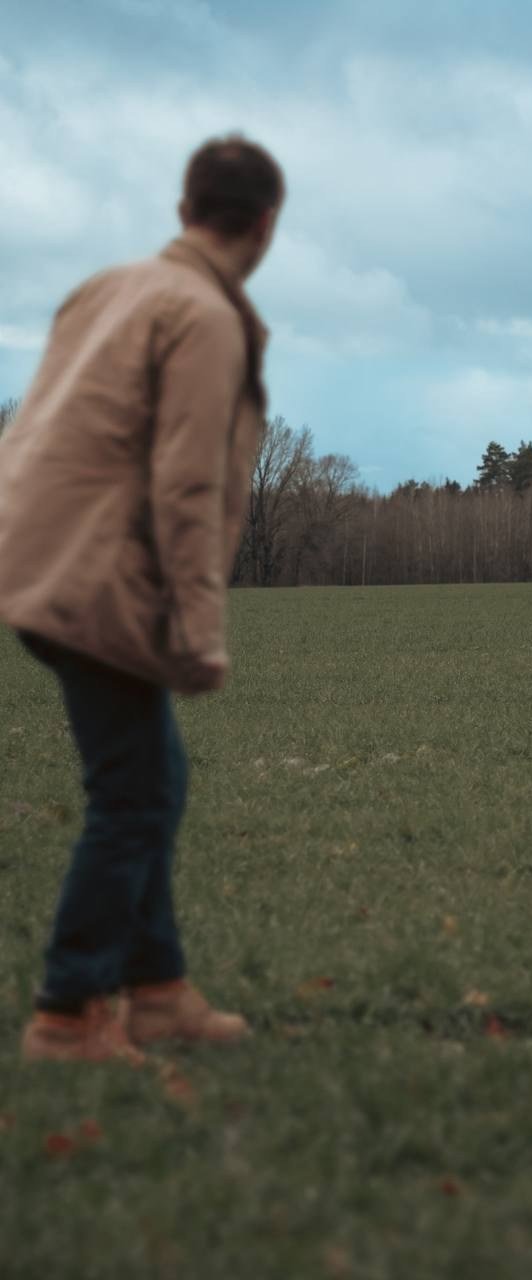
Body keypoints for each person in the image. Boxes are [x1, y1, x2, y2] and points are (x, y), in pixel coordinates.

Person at [0, 135, 284, 1063]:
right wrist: (198, 631)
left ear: (184, 209)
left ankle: (157, 991)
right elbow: (187, 483)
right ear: (267, 224)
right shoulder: (201, 313)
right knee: (133, 797)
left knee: (148, 781)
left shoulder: (108, 287)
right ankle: (68, 1011)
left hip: (35, 557)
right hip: (93, 573)